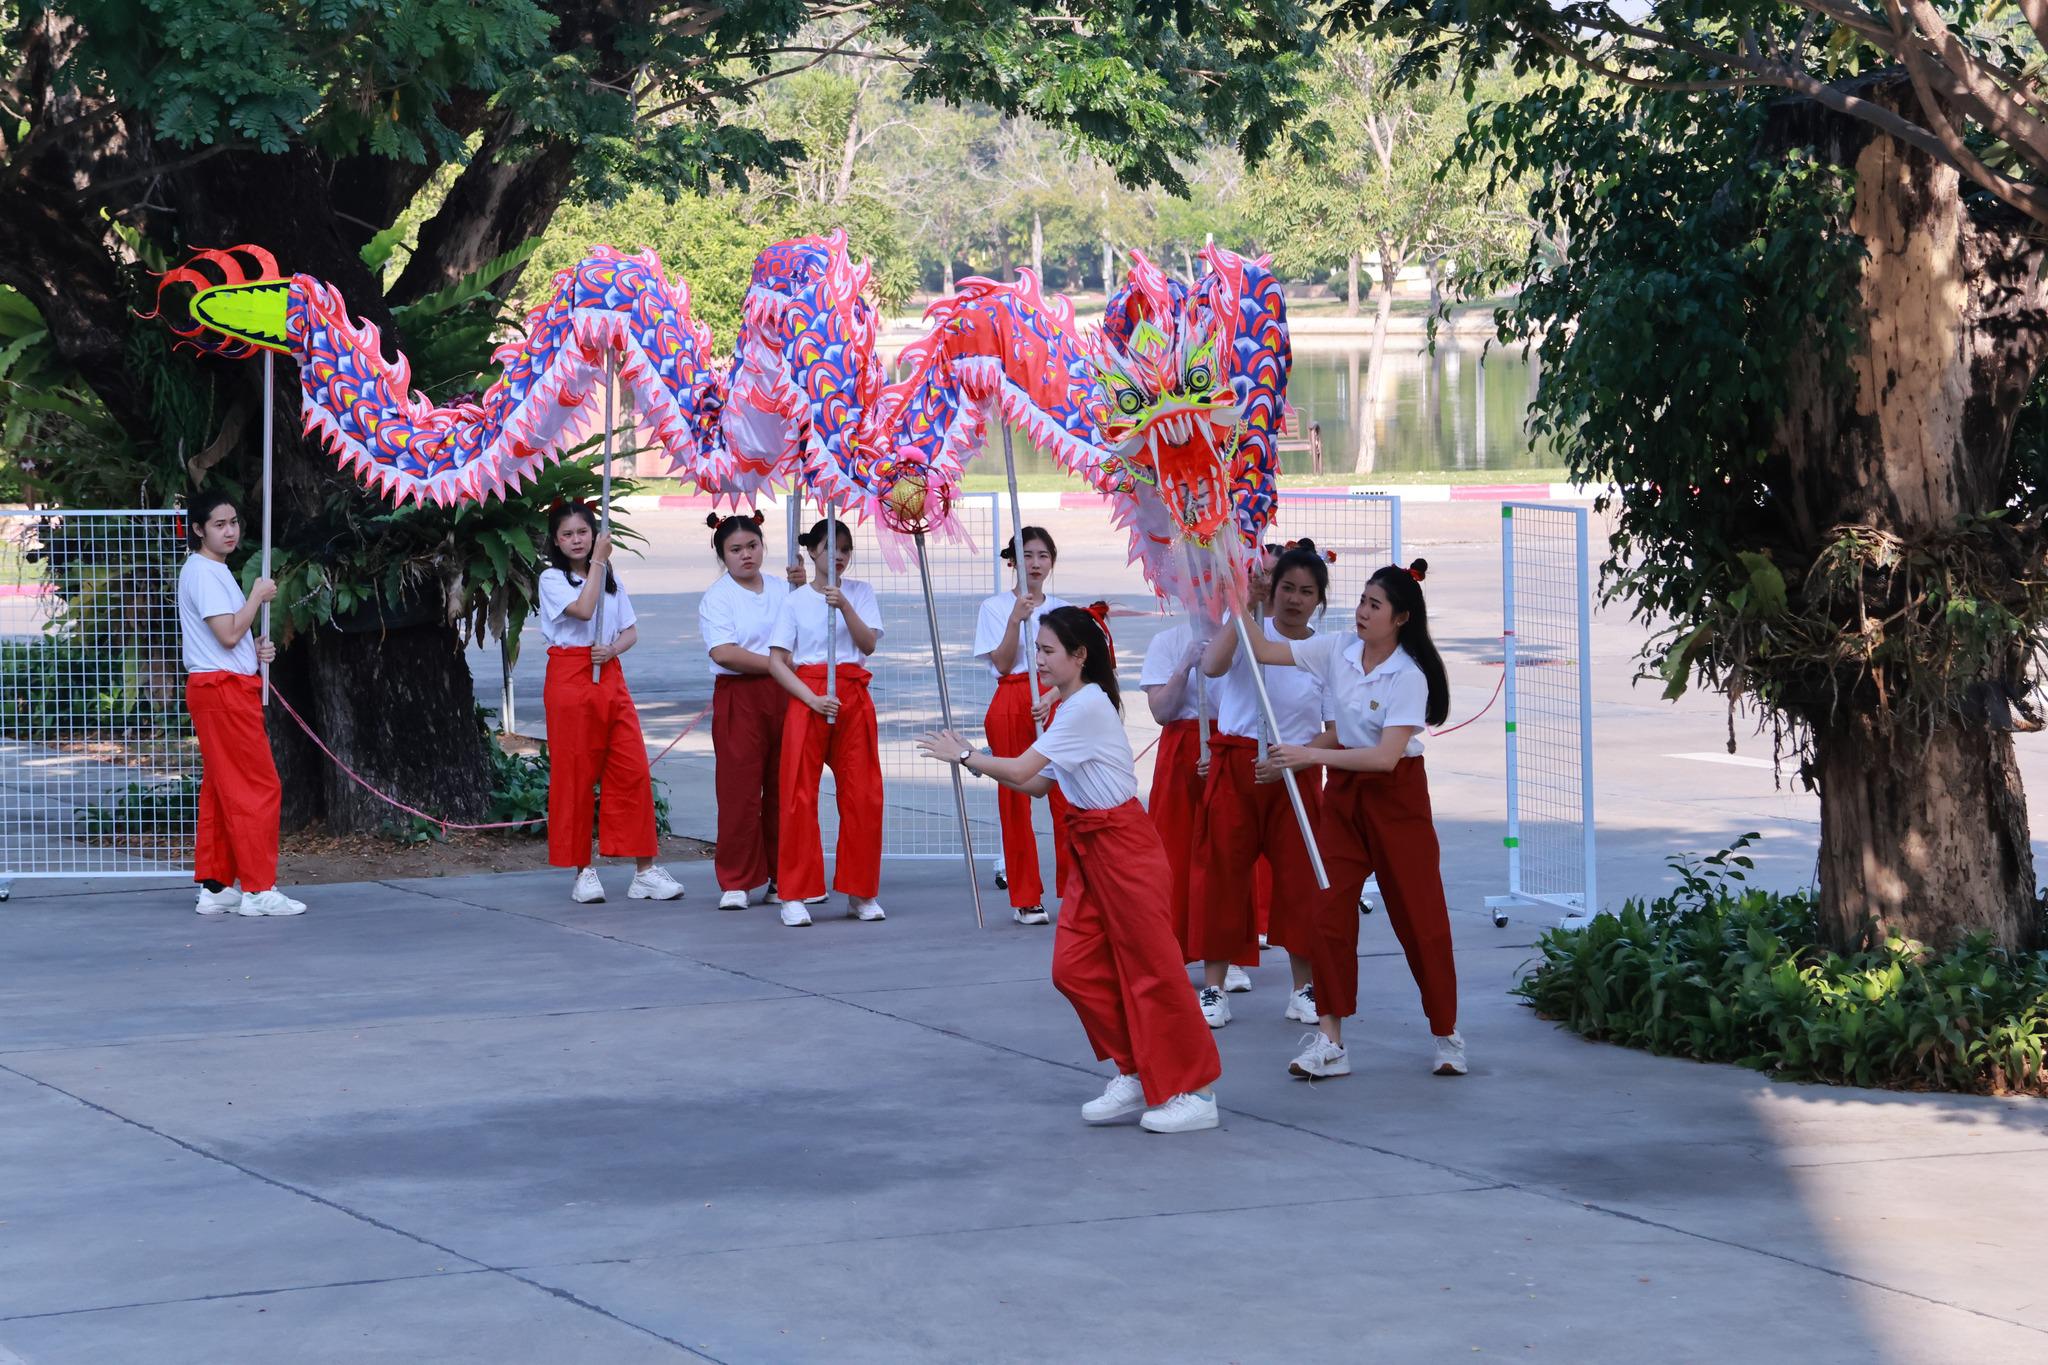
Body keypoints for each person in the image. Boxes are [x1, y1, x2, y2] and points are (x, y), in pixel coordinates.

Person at [918, 607, 1222, 1133]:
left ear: (1079, 656)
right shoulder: (1071, 708)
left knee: (1155, 971)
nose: (1037, 660)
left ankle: (1196, 1090)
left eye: (1047, 651)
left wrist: (967, 755)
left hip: (1124, 848)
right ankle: (1134, 1069)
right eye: (1037, 650)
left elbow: (1021, 770)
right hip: (1091, 851)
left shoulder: (1084, 707)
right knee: (1074, 968)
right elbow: (1037, 784)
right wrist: (984, 759)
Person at [1245, 563, 1466, 1079]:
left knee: (1420, 916)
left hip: (1396, 798)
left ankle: (1446, 1032)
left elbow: (1385, 758)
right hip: (1345, 798)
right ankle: (1331, 1039)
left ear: (1401, 618)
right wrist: (1242, 596)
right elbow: (1263, 650)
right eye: (1362, 601)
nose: (1363, 613)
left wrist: (1308, 755)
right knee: (1327, 912)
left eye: (1375, 606)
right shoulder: (1338, 647)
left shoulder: (1409, 676)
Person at [1190, 543, 1336, 1029]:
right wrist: (1240, 608)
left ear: (1320, 599)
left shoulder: (1326, 649)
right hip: (1238, 764)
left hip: (1294, 770)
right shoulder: (1249, 629)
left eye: (1307, 592)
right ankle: (1214, 988)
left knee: (1299, 882)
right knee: (1223, 876)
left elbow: (1334, 728)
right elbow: (1211, 668)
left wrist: (1298, 759)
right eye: (1287, 588)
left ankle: (1304, 988)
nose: (1295, 599)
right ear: (1271, 589)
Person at [537, 501, 686, 905]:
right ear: (556, 540)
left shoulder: (611, 579)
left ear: (594, 533)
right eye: (567, 534)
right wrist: (599, 564)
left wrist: (612, 649)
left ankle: (645, 870)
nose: (576, 540)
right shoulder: (552, 578)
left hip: (609, 675)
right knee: (577, 774)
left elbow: (630, 631)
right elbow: (583, 611)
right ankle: (583, 870)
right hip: (570, 678)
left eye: (582, 532)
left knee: (631, 768)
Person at [180, 492, 303, 917]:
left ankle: (216, 886)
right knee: (257, 785)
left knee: (221, 787)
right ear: (199, 530)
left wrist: (254, 651)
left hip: (223, 684)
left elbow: (231, 639)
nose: (230, 531)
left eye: (233, 522)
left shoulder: (213, 570)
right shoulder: (204, 574)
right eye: (219, 524)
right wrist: (257, 598)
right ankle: (258, 888)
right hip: (222, 691)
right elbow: (227, 634)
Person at [768, 517, 886, 927]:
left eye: (845, 549)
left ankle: (861, 892)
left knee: (863, 794)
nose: (837, 555)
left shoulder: (860, 593)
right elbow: (777, 661)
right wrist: (811, 699)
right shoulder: (795, 600)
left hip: (853, 693)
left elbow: (868, 643)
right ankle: (795, 893)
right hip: (811, 694)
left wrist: (845, 605)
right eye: (829, 547)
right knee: (799, 794)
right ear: (813, 552)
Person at [698, 512, 807, 910]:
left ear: (763, 546)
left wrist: (806, 588)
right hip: (740, 696)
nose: (746, 555)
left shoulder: (785, 589)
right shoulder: (718, 597)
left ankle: (784, 877)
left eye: (753, 546)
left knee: (785, 787)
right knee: (739, 791)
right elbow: (724, 652)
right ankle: (737, 880)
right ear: (722, 555)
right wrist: (777, 665)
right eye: (736, 549)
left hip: (786, 694)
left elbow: (806, 630)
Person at [973, 526, 1069, 925]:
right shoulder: (995, 607)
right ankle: (1025, 895)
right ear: (1013, 560)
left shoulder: (1064, 610)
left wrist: (1052, 696)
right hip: (1012, 697)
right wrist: (1015, 619)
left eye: (1043, 555)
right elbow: (1001, 662)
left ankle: (1079, 889)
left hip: (1056, 700)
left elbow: (1078, 667)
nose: (1035, 563)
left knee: (1069, 795)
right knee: (1015, 800)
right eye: (1027, 555)